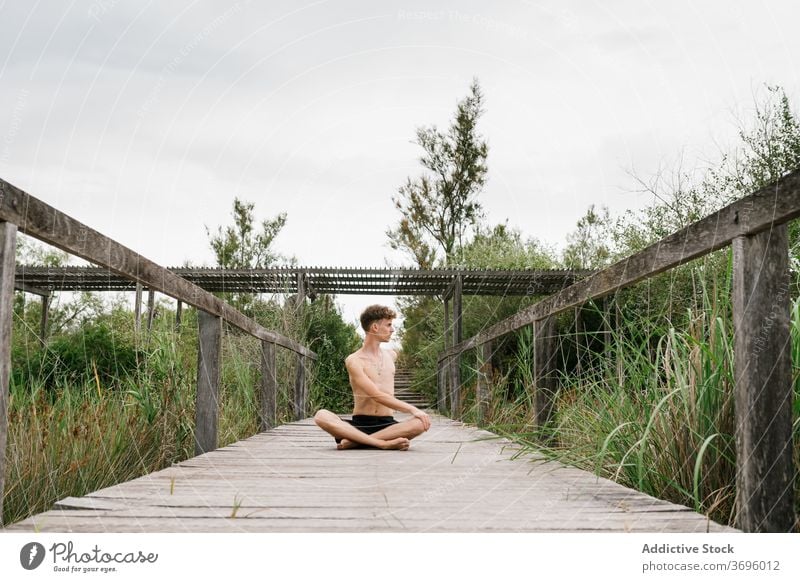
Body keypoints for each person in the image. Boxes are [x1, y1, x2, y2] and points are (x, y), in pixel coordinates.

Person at [314, 305, 431, 450]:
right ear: (375, 327)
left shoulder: (391, 355)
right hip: (359, 424)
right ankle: (381, 443)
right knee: (321, 415)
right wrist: (413, 409)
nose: (392, 329)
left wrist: (417, 414)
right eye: (388, 325)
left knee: (420, 423)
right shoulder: (354, 360)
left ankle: (356, 442)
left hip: (387, 425)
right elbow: (376, 395)